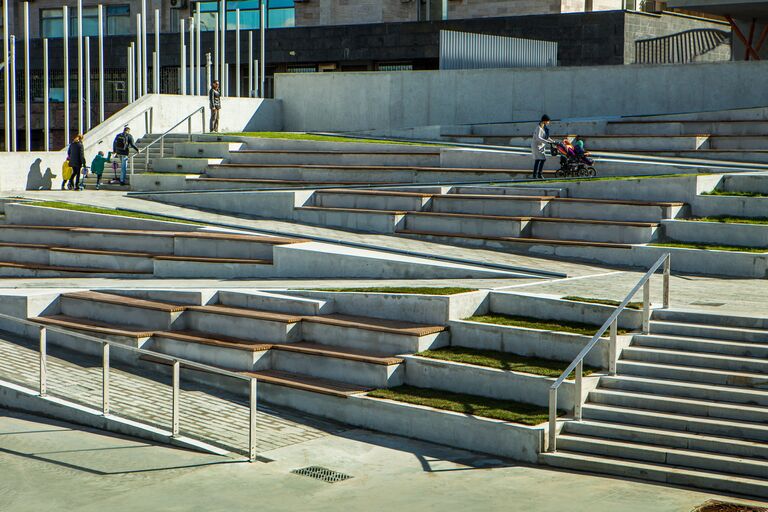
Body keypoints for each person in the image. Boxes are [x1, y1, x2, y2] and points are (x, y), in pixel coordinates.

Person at [531, 115, 554, 180]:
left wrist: (553, 141)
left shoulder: (544, 127)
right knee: (541, 159)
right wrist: (547, 142)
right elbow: (538, 138)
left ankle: (536, 175)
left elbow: (546, 137)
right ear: (545, 121)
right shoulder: (538, 128)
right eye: (548, 121)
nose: (549, 122)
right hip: (536, 146)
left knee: (538, 160)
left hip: (541, 146)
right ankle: (538, 174)